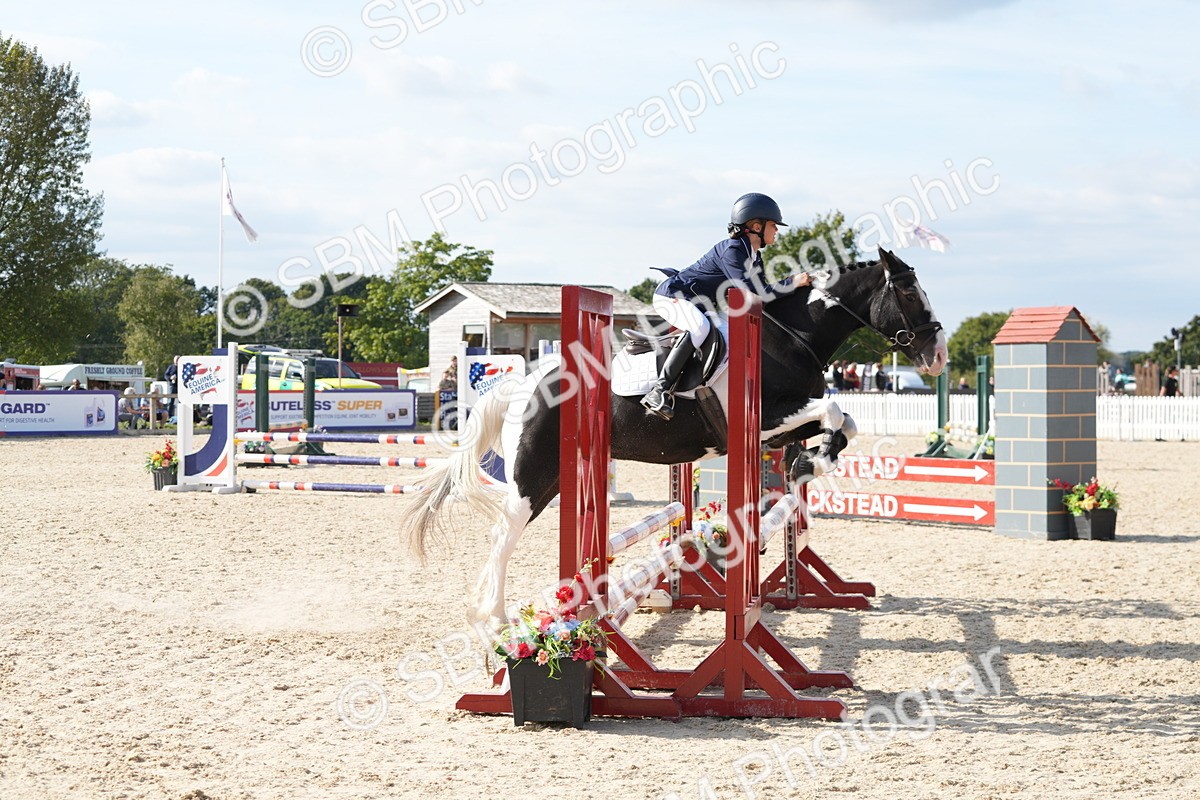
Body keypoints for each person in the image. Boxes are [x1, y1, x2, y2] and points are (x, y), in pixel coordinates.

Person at [641, 192, 811, 419]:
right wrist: (792, 282)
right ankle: (658, 391)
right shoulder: (733, 251)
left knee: (729, 335)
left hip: (698, 305)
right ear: (756, 226)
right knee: (699, 328)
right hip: (672, 296)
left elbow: (761, 296)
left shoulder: (754, 257)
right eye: (773, 225)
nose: (777, 230)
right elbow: (755, 293)